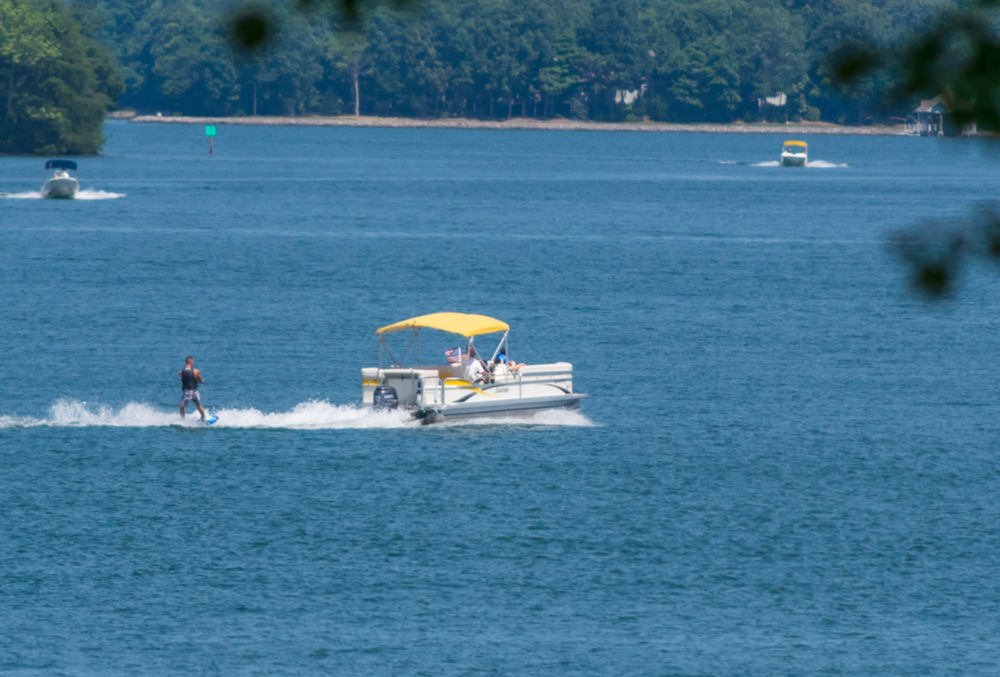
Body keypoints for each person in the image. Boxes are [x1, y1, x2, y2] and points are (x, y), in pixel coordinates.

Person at [178, 355, 207, 420]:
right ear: (192, 362)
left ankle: (182, 420)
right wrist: (202, 381)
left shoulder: (180, 372)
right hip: (195, 392)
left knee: (181, 407)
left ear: (186, 362)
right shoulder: (196, 371)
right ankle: (203, 418)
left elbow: (185, 379)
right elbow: (200, 381)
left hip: (187, 393)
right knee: (198, 405)